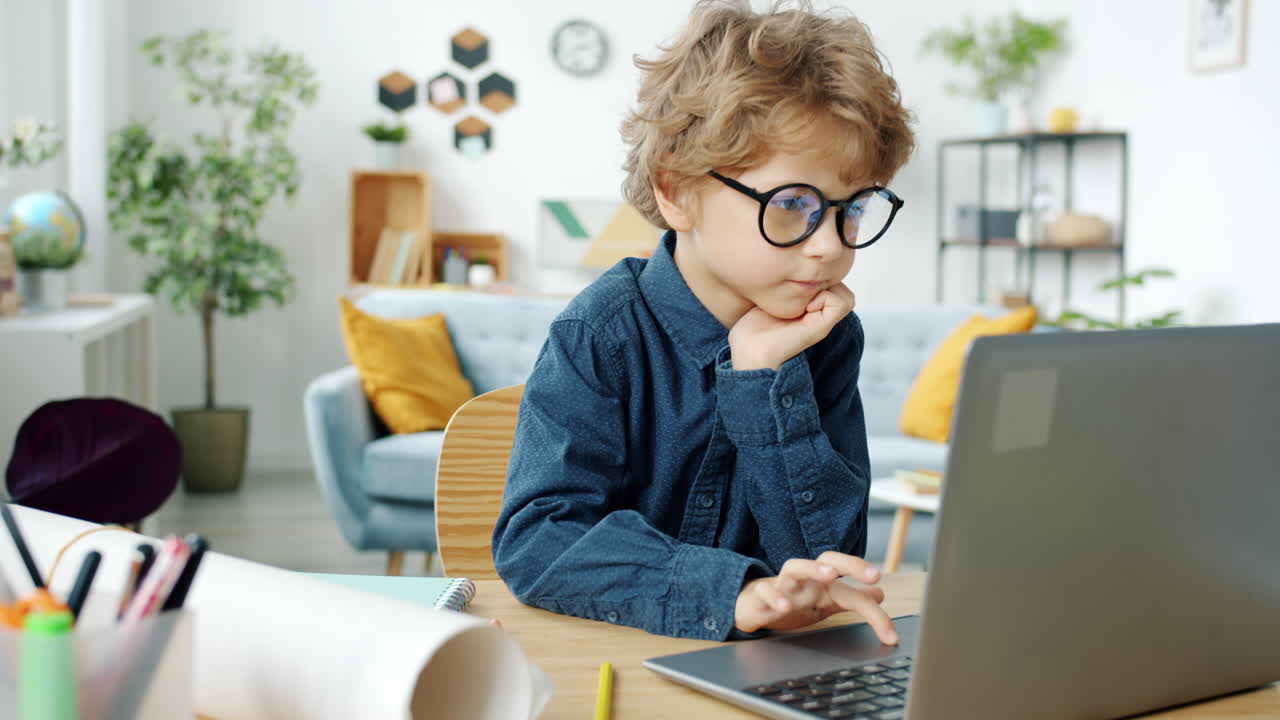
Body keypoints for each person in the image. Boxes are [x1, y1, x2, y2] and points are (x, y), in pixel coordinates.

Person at [492, 0, 915, 642]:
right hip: (616, 660)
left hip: (772, 672)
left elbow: (831, 560)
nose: (830, 245)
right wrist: (735, 594)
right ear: (676, 191)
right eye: (793, 203)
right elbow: (540, 540)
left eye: (852, 208)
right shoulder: (599, 335)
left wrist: (760, 377)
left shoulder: (825, 337)